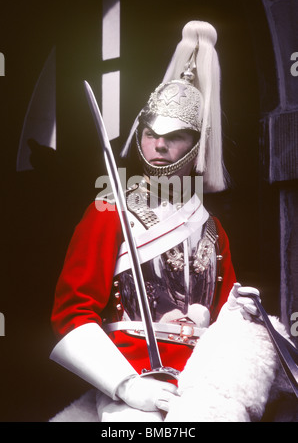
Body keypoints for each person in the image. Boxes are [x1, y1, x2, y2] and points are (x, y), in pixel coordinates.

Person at [49, 21, 286, 422]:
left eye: (174, 135)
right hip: (131, 377)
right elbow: (72, 312)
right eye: (149, 133)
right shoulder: (110, 210)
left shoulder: (212, 227)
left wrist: (238, 311)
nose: (159, 145)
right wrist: (125, 385)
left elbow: (220, 320)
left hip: (206, 386)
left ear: (196, 144)